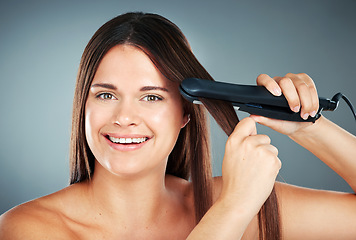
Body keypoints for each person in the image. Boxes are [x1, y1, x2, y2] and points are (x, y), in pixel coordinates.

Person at [1, 12, 356, 240]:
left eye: (152, 97)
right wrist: (232, 211)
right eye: (106, 95)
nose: (124, 117)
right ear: (84, 106)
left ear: (186, 112)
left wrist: (307, 124)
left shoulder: (238, 200)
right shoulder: (28, 229)